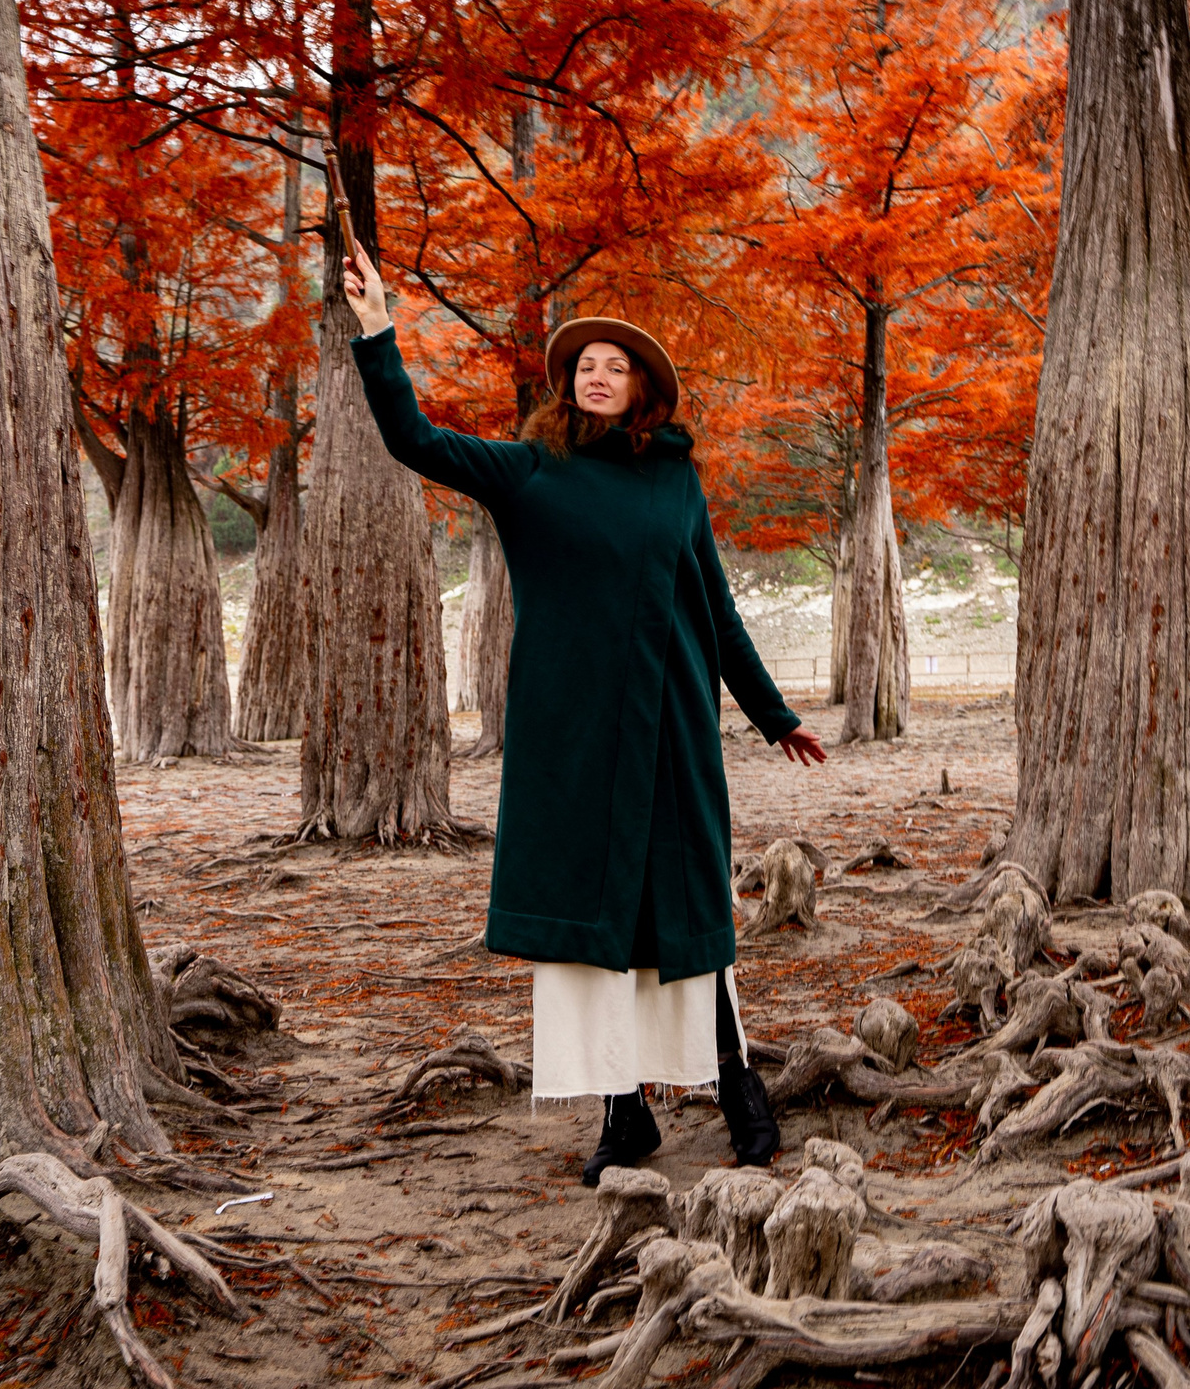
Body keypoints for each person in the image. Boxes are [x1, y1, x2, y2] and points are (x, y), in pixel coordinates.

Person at [337, 228, 827, 1184]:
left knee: (689, 915)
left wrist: (773, 714)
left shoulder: (677, 482)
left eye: (617, 366)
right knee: (596, 927)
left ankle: (735, 1082)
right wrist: (378, 332)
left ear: (645, 388)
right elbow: (414, 440)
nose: (598, 375)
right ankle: (623, 1110)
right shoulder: (530, 472)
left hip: (673, 730)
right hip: (572, 741)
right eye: (585, 366)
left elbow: (714, 608)